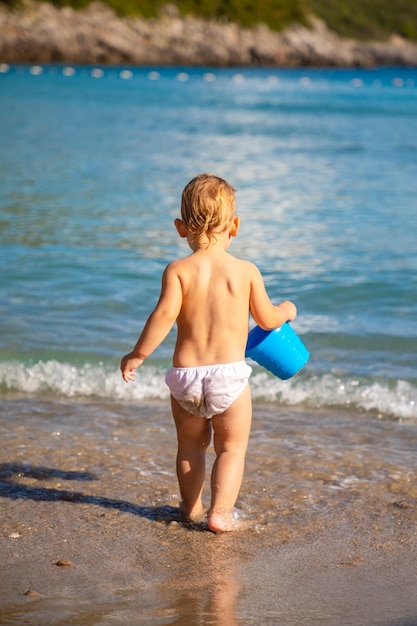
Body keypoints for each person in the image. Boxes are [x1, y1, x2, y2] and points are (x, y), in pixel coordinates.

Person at [121, 174, 297, 532]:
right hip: (228, 377)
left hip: (185, 378)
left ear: (180, 228)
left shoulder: (177, 271)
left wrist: (137, 355)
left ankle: (190, 508)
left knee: (190, 447)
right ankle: (220, 513)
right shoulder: (246, 272)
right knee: (231, 450)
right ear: (235, 226)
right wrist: (287, 310)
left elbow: (163, 317)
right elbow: (266, 319)